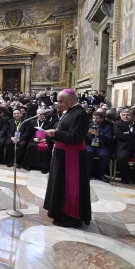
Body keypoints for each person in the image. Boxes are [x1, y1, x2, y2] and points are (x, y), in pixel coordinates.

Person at [44, 89, 91, 227]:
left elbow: (76, 137)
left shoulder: (80, 114)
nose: (58, 104)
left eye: (60, 101)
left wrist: (56, 133)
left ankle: (71, 217)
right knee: (59, 183)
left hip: (72, 157)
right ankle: (59, 212)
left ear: (70, 100)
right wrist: (55, 135)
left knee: (70, 186)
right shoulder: (70, 111)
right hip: (62, 153)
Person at [85, 111, 113, 182]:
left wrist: (98, 135)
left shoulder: (107, 127)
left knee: (104, 155)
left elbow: (109, 139)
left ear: (102, 119)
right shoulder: (88, 125)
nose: (95, 120)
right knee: (88, 152)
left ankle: (100, 174)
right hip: (90, 144)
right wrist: (87, 134)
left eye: (97, 118)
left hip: (101, 145)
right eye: (93, 118)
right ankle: (87, 174)